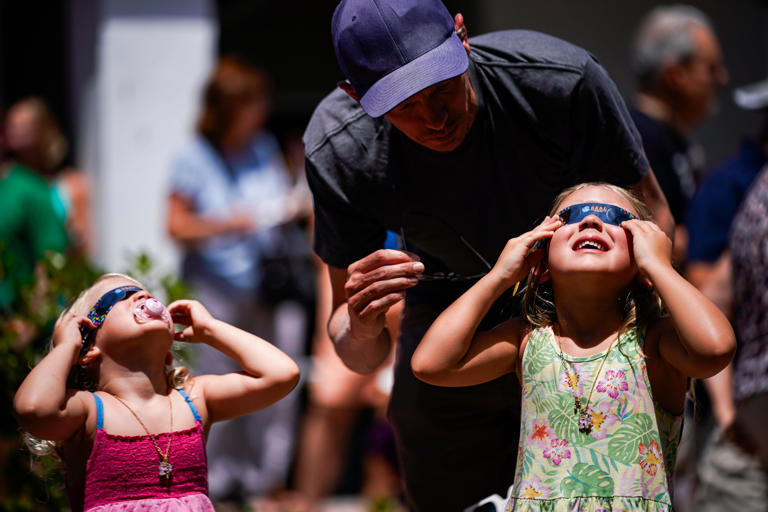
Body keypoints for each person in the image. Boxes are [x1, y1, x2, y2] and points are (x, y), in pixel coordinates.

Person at [304, 0, 673, 509]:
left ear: (462, 37)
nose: (433, 119)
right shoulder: (341, 146)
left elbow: (656, 221)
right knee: (432, 445)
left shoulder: (558, 82)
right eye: (405, 106)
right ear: (354, 95)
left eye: (441, 89)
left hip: (586, 304)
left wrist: (644, 340)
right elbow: (355, 352)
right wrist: (363, 322)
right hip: (451, 312)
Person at [412, 183, 735, 511]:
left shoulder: (654, 342)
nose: (591, 221)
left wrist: (661, 267)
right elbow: (431, 364)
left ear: (642, 262)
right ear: (543, 263)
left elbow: (716, 349)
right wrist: (499, 276)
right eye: (570, 217)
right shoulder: (526, 340)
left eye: (617, 219)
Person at [13, 273, 300, 512]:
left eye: (147, 295)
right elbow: (34, 409)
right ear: (88, 347)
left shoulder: (194, 399)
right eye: (119, 296)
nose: (141, 297)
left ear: (168, 353)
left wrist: (211, 329)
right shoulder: (88, 412)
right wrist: (66, 347)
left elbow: (281, 375)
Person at [166, 56, 305, 505]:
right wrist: (230, 223)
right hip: (216, 290)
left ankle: (265, 479)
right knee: (214, 383)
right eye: (252, 102)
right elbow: (177, 227)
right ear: (227, 106)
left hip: (268, 284)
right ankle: (216, 480)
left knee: (276, 382)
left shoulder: (264, 146)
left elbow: (281, 200)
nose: (261, 110)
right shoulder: (193, 156)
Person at [694, 80, 768, 512]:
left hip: (752, 399)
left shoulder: (754, 198)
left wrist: (726, 408)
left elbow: (713, 296)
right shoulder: (739, 190)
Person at [629, 5, 728, 264]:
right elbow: (653, 237)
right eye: (711, 68)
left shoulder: (670, 139)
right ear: (675, 75)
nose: (722, 78)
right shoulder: (636, 140)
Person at [5, 97, 93, 255]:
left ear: (43, 129)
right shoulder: (9, 181)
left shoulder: (69, 183)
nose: (15, 134)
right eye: (12, 126)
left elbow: (83, 242)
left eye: (24, 127)